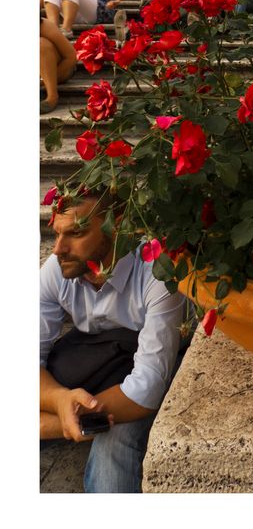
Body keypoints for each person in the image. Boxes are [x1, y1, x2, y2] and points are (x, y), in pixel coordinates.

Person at [40, 189, 186, 493]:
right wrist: (58, 400)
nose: (58, 249)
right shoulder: (58, 268)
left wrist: (53, 423)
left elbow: (145, 387)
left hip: (152, 360)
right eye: (56, 234)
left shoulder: (158, 273)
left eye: (76, 233)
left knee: (111, 466)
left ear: (116, 225)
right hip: (94, 359)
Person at [40, 18, 77, 113]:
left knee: (41, 44)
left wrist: (43, 81)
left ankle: (52, 97)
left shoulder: (45, 26)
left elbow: (71, 57)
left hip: (61, 69)